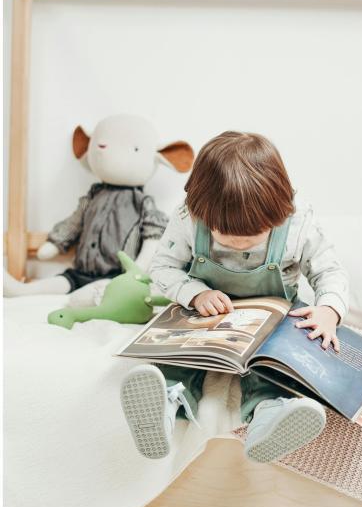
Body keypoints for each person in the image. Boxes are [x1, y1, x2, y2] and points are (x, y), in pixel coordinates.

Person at [120, 131, 349, 464]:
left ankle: (270, 416)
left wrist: (329, 310)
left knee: (274, 369)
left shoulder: (299, 224)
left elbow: (331, 271)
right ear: (200, 211)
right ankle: (165, 404)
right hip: (205, 318)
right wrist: (195, 294)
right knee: (178, 358)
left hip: (273, 321)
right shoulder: (187, 219)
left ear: (281, 212)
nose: (239, 244)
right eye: (225, 236)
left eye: (253, 236)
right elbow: (163, 266)